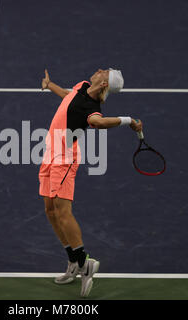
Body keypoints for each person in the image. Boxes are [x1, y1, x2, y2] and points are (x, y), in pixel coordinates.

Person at [39, 68, 143, 297]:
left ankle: (84, 261)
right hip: (50, 152)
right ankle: (74, 262)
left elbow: (100, 122)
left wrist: (128, 121)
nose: (99, 70)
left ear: (105, 82)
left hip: (64, 158)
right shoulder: (83, 84)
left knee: (62, 211)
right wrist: (51, 86)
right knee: (50, 210)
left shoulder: (92, 109)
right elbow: (69, 96)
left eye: (104, 71)